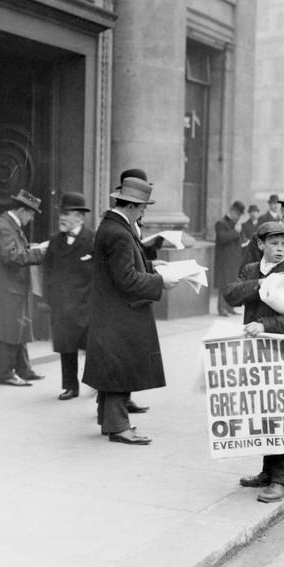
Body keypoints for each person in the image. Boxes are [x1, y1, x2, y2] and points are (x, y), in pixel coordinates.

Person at [81, 169, 178, 445]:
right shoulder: (120, 233)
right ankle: (119, 427)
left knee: (114, 367)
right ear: (132, 206)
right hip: (121, 312)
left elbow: (122, 268)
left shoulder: (112, 226)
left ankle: (109, 420)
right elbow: (126, 279)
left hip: (111, 310)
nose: (142, 213)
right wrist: (160, 282)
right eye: (142, 208)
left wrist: (149, 265)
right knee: (119, 369)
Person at [222, 221, 284, 502]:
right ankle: (268, 471)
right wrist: (259, 284)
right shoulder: (251, 270)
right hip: (258, 354)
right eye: (274, 243)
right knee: (264, 409)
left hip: (282, 352)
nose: (280, 249)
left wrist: (265, 324)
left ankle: (282, 480)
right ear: (260, 245)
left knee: (282, 413)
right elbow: (231, 295)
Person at [241, 187, 284, 385]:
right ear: (283, 211)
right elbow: (244, 275)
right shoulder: (263, 237)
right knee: (260, 384)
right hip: (260, 322)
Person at [0, 189, 48, 387]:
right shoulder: (6, 227)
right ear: (21, 210)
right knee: (10, 330)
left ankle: (23, 369)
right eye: (31, 214)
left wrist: (33, 249)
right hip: (8, 288)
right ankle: (6, 374)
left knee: (18, 327)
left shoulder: (8, 225)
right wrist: (40, 253)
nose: (32, 218)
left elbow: (15, 252)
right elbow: (12, 256)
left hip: (12, 287)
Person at [43, 192, 95, 401]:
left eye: (67, 214)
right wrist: (51, 300)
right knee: (67, 347)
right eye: (61, 214)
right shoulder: (55, 241)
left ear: (80, 218)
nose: (62, 218)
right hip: (63, 305)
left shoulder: (92, 239)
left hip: (86, 305)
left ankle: (96, 381)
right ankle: (70, 386)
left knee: (92, 346)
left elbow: (99, 274)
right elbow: (48, 272)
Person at [213, 200, 245, 317]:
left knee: (232, 284)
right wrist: (235, 232)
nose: (239, 216)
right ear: (232, 211)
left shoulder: (234, 224)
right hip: (224, 260)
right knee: (224, 284)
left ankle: (230, 307)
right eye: (238, 213)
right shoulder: (221, 223)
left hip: (234, 259)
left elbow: (238, 240)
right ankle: (222, 308)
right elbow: (222, 239)